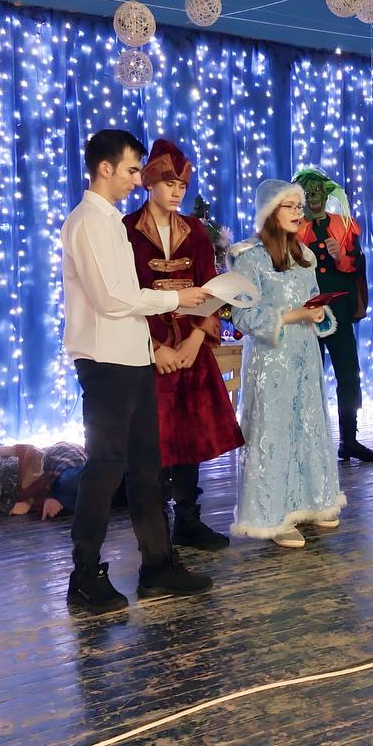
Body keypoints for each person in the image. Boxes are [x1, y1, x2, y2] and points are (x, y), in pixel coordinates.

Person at [60, 128, 213, 612]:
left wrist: (154, 341)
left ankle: (158, 564)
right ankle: (84, 574)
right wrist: (176, 298)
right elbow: (111, 299)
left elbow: (123, 297)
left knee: (147, 467)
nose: (135, 179)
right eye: (130, 170)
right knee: (105, 467)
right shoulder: (88, 222)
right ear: (104, 168)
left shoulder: (109, 221)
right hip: (105, 360)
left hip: (133, 357)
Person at [125, 138, 244, 552]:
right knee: (155, 439)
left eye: (182, 185)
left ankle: (189, 521)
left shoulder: (194, 231)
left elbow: (212, 289)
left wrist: (196, 339)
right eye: (169, 183)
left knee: (190, 436)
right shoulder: (126, 231)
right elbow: (123, 296)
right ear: (150, 182)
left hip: (191, 347)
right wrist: (155, 348)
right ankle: (157, 532)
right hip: (149, 350)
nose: (177, 192)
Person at [228, 179, 345, 549]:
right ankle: (273, 516)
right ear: (270, 211)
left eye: (299, 206)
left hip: (305, 358)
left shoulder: (304, 255)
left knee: (308, 426)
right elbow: (243, 315)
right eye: (290, 206)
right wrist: (293, 316)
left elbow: (312, 299)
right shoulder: (249, 258)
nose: (298, 212)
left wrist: (318, 312)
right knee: (274, 433)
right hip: (270, 362)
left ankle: (312, 501)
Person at [292, 166, 373, 463]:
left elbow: (357, 266)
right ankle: (310, 444)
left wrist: (340, 256)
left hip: (339, 315)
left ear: (326, 193)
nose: (313, 197)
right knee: (309, 379)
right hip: (307, 317)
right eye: (307, 192)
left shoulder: (344, 226)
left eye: (317, 191)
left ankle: (349, 440)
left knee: (349, 376)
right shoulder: (293, 229)